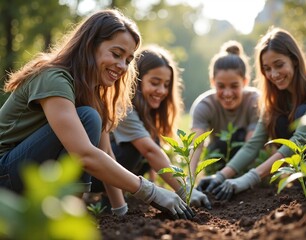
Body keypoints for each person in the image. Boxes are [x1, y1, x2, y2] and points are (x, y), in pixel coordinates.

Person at [0, 9, 194, 220]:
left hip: (24, 173)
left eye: (128, 60)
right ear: (90, 45)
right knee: (88, 118)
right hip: (5, 173)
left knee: (90, 116)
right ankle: (64, 216)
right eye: (116, 54)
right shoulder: (53, 77)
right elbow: (84, 154)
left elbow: (105, 152)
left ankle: (65, 216)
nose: (122, 66)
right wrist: (151, 192)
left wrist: (122, 212)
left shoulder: (91, 93)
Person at [197, 27, 306, 200]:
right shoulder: (274, 99)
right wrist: (221, 176)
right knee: (278, 121)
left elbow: (300, 139)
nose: (273, 74)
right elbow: (254, 144)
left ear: (295, 60)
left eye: (279, 65)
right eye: (267, 68)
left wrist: (249, 178)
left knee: (302, 113)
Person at [91, 44, 211, 210]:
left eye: (166, 84)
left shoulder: (147, 110)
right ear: (136, 80)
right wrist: (184, 191)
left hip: (114, 175)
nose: (161, 90)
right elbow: (149, 151)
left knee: (152, 141)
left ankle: (117, 196)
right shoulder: (124, 108)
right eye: (155, 83)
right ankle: (109, 198)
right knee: (138, 147)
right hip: (96, 175)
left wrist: (155, 183)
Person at [189, 40, 259, 180]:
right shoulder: (204, 105)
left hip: (248, 160)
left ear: (245, 82)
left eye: (234, 86)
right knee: (220, 145)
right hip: (217, 158)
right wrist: (189, 180)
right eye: (221, 86)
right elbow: (197, 146)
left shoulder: (255, 101)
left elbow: (251, 145)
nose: (227, 93)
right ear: (212, 81)